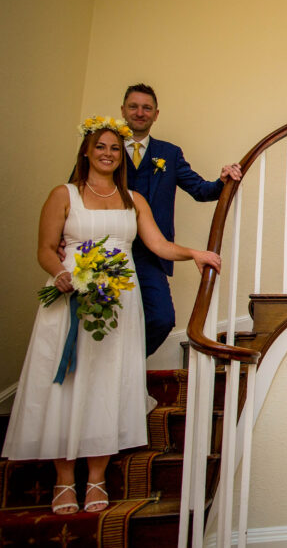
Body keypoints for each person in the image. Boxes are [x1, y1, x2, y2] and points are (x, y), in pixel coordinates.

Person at [2, 117, 221, 515]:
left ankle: (98, 476)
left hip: (119, 302)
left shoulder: (134, 199)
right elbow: (46, 249)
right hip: (69, 300)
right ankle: (65, 480)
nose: (107, 154)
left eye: (114, 149)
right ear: (87, 151)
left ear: (122, 156)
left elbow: (158, 244)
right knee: (66, 382)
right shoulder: (63, 194)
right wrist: (62, 273)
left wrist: (195, 253)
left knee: (105, 380)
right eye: (100, 147)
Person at [120, 84, 241, 355]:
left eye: (146, 108)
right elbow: (78, 192)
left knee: (161, 318)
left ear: (156, 114)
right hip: (109, 248)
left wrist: (222, 181)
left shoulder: (170, 153)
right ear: (123, 111)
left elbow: (201, 190)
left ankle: (125, 368)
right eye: (133, 106)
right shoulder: (104, 148)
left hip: (152, 252)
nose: (140, 113)